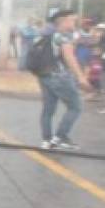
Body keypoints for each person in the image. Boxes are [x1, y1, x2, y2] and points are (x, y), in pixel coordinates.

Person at [36, 9, 91, 150]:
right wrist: (81, 77)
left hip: (44, 76)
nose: (75, 22)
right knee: (76, 107)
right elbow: (69, 58)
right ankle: (60, 137)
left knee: (48, 110)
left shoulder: (43, 35)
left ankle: (46, 140)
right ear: (63, 21)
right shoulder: (62, 37)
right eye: (72, 19)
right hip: (60, 77)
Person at [95, 23, 105, 115]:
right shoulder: (102, 40)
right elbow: (98, 52)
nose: (99, 31)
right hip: (104, 67)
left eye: (101, 30)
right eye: (98, 29)